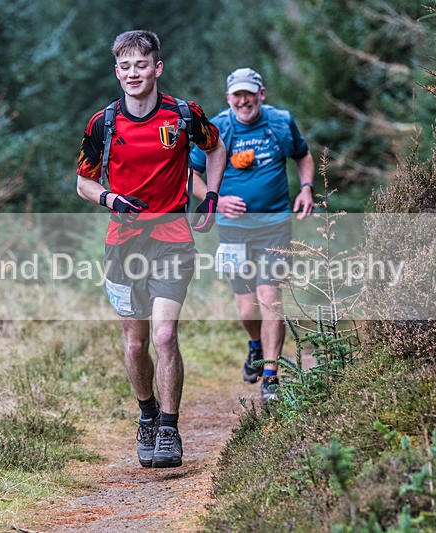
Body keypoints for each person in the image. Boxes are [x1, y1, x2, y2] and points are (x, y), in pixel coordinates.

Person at [76, 30, 226, 468]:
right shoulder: (102, 123)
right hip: (123, 244)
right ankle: (146, 415)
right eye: (124, 66)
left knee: (164, 336)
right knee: (136, 343)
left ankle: (168, 429)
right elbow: (83, 182)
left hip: (173, 239)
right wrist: (108, 198)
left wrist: (211, 197)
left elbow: (215, 150)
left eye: (141, 65)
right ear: (117, 71)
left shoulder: (181, 114)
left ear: (157, 68)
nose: (133, 73)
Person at [190, 67, 314, 403]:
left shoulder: (280, 122)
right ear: (228, 98)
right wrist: (215, 199)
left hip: (275, 226)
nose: (243, 100)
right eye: (237, 95)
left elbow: (302, 155)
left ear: (261, 94)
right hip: (233, 233)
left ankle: (271, 376)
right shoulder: (217, 129)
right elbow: (193, 175)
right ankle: (255, 346)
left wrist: (306, 188)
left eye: (250, 93)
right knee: (247, 308)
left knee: (270, 298)